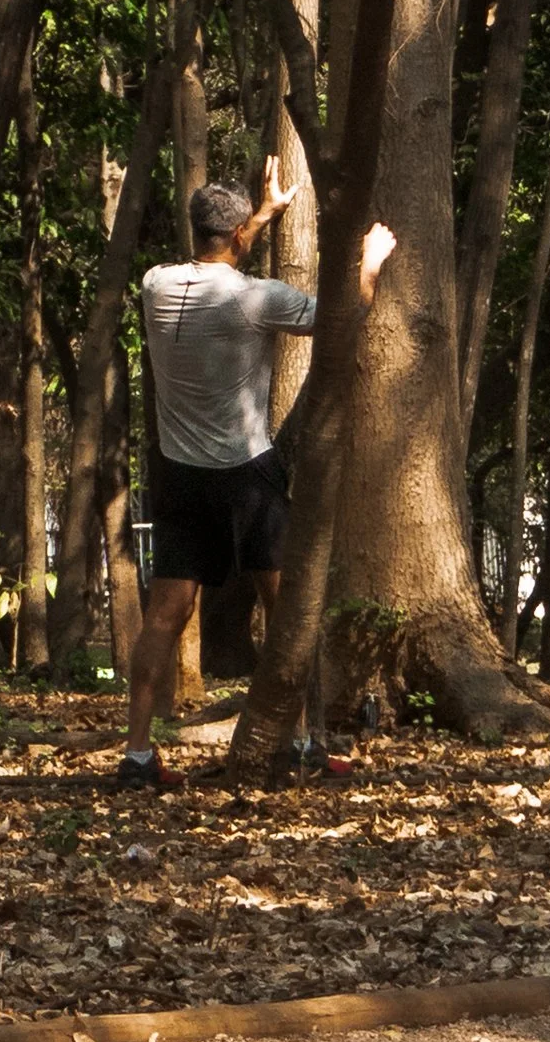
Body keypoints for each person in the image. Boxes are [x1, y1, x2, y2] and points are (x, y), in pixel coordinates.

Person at [120, 160, 396, 788]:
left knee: (167, 613)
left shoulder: (156, 283)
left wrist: (263, 214)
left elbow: (219, 257)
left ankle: (137, 754)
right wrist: (370, 262)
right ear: (240, 233)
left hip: (180, 474)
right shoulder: (257, 299)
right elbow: (342, 320)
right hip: (247, 472)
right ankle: (297, 741)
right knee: (284, 603)